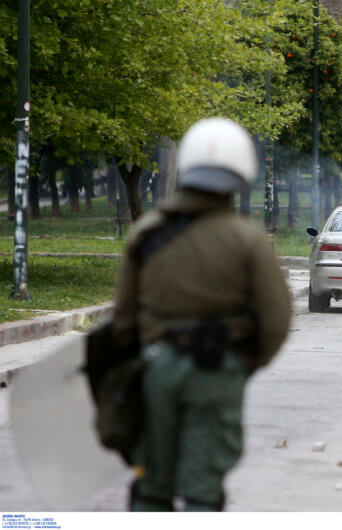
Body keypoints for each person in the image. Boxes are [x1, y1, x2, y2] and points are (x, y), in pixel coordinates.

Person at [112, 118, 291, 511]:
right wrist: (240, 364)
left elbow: (123, 319)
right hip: (217, 369)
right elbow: (276, 321)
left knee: (150, 484)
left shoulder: (146, 232)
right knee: (203, 488)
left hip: (156, 368)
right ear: (242, 171)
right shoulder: (248, 240)